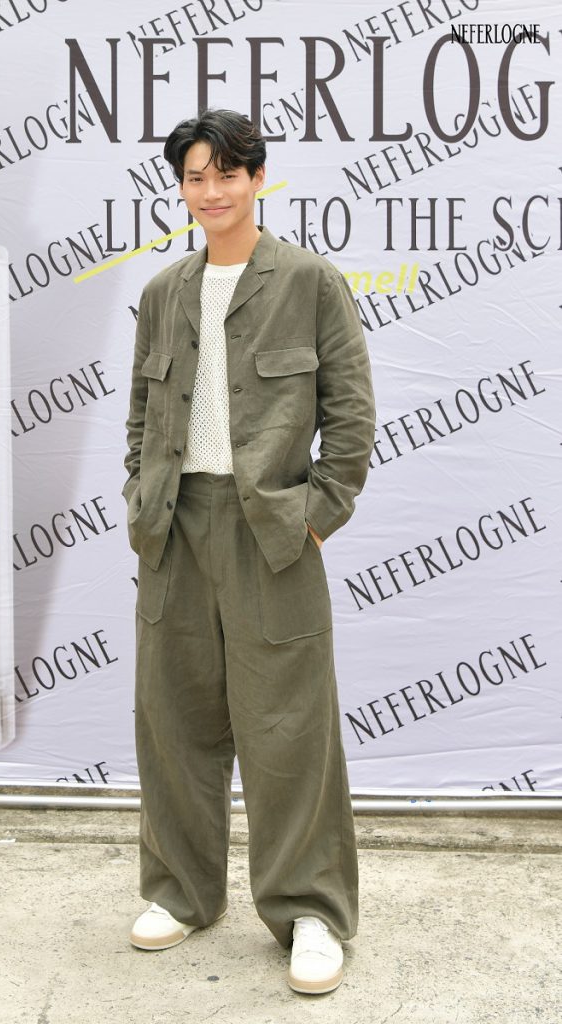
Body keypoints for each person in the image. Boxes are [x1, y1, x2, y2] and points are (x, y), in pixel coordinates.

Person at [121, 108, 376, 995]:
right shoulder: (163, 292)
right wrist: (140, 500)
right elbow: (140, 415)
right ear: (180, 188)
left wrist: (315, 517)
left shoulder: (309, 281)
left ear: (257, 178)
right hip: (173, 529)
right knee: (173, 720)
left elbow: (351, 418)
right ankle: (181, 892)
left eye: (225, 173)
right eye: (194, 177)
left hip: (272, 533)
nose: (210, 191)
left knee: (288, 727)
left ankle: (309, 910)